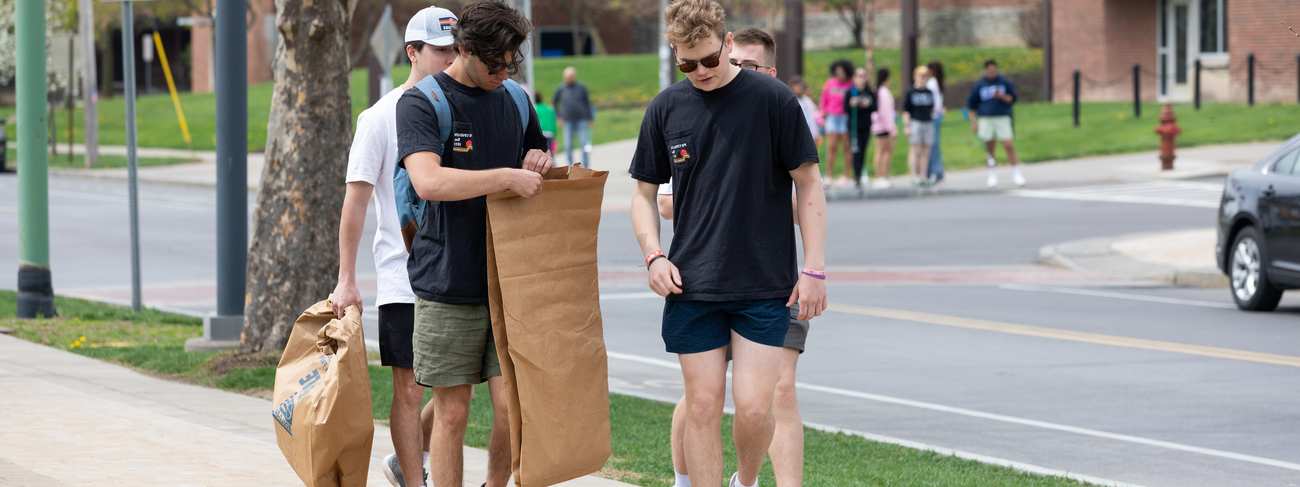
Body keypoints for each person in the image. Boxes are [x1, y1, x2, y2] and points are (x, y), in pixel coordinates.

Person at [630, 1, 827, 486]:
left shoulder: (772, 99)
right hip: (692, 285)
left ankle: (746, 480)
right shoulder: (665, 108)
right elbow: (641, 193)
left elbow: (809, 183)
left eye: (710, 60)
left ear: (727, 44)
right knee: (701, 404)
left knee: (758, 410)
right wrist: (653, 255)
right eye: (687, 63)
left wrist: (815, 268)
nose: (700, 71)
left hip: (764, 283)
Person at [394, 2, 552, 486]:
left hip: (510, 283)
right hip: (447, 282)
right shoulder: (423, 102)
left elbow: (539, 152)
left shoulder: (517, 100)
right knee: (453, 414)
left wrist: (538, 158)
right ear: (463, 50)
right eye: (494, 64)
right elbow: (428, 182)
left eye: (511, 63)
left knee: (511, 409)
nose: (504, 73)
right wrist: (505, 176)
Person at [330, 6, 458, 486]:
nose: (451, 59)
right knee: (407, 388)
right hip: (402, 276)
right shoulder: (379, 118)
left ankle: (408, 460)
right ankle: (413, 475)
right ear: (413, 52)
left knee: (458, 388)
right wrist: (347, 279)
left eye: (456, 50)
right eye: (441, 51)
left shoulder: (462, 109)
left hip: (459, 272)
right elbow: (356, 200)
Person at [967, 59, 1026, 187]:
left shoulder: (1004, 82)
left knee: (1008, 144)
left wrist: (1001, 96)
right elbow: (971, 105)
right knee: (989, 147)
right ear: (985, 70)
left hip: (1002, 117)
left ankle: (1016, 173)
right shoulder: (980, 85)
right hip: (986, 119)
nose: (991, 72)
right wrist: (973, 122)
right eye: (989, 69)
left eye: (993, 69)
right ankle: (992, 174)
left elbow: (1012, 98)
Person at [820, 59, 854, 188]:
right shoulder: (830, 83)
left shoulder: (851, 84)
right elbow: (824, 99)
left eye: (842, 71)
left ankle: (846, 175)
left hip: (845, 117)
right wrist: (822, 112)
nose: (839, 74)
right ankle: (829, 176)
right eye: (837, 71)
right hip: (832, 117)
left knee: (847, 147)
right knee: (832, 147)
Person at [901, 66, 936, 186]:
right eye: (921, 76)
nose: (923, 78)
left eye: (925, 76)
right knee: (915, 150)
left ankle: (923, 177)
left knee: (926, 151)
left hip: (928, 122)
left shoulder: (929, 92)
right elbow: (906, 110)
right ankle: (914, 176)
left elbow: (932, 108)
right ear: (915, 77)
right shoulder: (911, 91)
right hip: (915, 122)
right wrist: (907, 125)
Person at [553, 66, 593, 168]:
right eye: (566, 77)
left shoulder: (581, 87)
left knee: (584, 145)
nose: (567, 79)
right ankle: (571, 167)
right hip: (567, 121)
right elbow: (554, 102)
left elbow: (587, 103)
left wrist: (591, 119)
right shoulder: (561, 88)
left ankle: (586, 167)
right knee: (568, 146)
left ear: (574, 76)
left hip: (581, 120)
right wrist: (558, 116)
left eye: (570, 77)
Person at [844, 67, 876, 188]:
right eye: (858, 75)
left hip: (866, 126)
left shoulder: (869, 92)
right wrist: (852, 104)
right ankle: (857, 176)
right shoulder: (850, 92)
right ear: (854, 78)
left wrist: (867, 104)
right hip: (854, 127)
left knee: (863, 151)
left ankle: (861, 173)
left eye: (863, 75)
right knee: (856, 150)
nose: (861, 78)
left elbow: (875, 107)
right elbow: (845, 109)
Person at [870, 67, 897, 189]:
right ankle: (881, 176)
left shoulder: (877, 90)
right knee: (885, 151)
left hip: (879, 125)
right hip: (884, 127)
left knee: (881, 151)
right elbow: (886, 112)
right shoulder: (884, 92)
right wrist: (891, 128)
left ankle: (882, 176)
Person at [925, 60, 946, 185]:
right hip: (937, 116)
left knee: (932, 146)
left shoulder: (931, 83)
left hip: (932, 117)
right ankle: (936, 171)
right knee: (934, 145)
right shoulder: (937, 82)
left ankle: (936, 172)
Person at [788, 76, 822, 148]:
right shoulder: (789, 100)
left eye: (801, 86)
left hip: (808, 133)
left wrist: (815, 133)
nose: (799, 88)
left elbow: (811, 118)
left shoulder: (806, 100)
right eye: (797, 85)